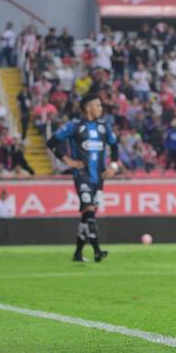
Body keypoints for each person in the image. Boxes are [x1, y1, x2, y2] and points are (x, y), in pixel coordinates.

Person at [46, 93, 119, 263]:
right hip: (82, 176)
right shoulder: (75, 126)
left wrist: (113, 166)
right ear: (88, 108)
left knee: (87, 215)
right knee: (90, 210)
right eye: (98, 105)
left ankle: (78, 253)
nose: (101, 108)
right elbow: (52, 142)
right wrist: (68, 161)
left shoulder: (104, 126)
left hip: (99, 177)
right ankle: (97, 251)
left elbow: (114, 147)